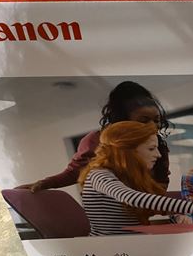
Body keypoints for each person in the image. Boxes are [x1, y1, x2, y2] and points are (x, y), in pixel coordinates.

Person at [80, 122, 193, 235]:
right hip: (109, 250)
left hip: (131, 245)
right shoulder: (99, 175)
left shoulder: (127, 178)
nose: (158, 155)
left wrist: (177, 214)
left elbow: (152, 204)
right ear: (127, 151)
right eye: (151, 148)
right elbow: (132, 198)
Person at [16, 81, 171, 192]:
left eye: (157, 120)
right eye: (143, 120)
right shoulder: (97, 140)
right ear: (122, 119)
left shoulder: (156, 144)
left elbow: (162, 180)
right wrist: (45, 183)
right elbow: (75, 172)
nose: (153, 126)